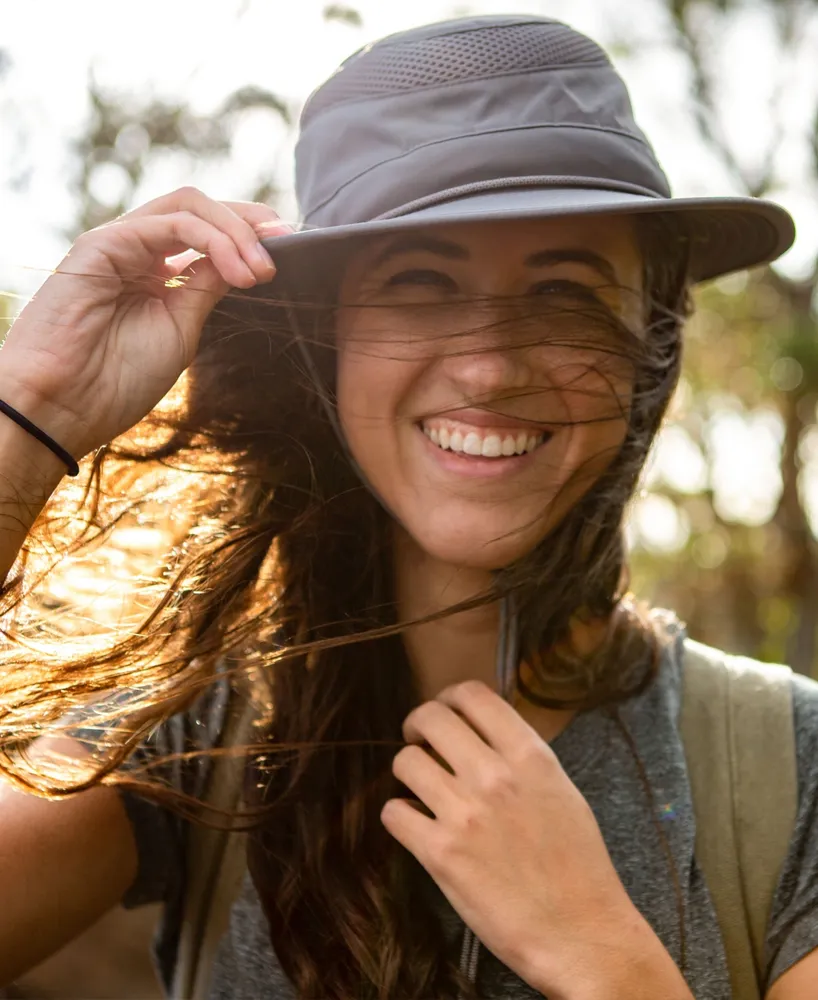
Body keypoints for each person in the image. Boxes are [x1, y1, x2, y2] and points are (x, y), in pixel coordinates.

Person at [0, 12, 814, 1000]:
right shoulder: (204, 730)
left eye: (563, 289)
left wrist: (602, 956)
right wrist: (31, 412)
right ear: (326, 346)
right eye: (418, 283)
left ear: (647, 344)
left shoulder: (788, 773)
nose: (485, 365)